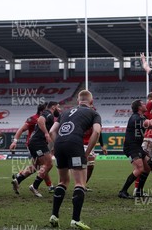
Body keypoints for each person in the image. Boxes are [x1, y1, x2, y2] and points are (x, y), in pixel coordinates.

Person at [48, 90, 101, 230]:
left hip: (59, 143)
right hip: (75, 143)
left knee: (63, 181)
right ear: (91, 101)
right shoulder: (94, 113)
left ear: (78, 101)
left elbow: (52, 131)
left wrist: (59, 144)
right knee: (80, 183)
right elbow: (96, 131)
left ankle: (54, 216)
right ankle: (75, 220)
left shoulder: (65, 112)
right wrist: (87, 153)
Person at [118, 99, 152, 199]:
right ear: (139, 107)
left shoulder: (140, 117)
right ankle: (123, 191)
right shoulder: (137, 118)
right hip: (131, 147)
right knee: (140, 169)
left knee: (147, 169)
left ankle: (139, 191)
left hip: (137, 146)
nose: (145, 105)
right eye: (143, 104)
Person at [13, 101, 60, 197]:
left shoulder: (49, 115)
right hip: (38, 142)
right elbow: (40, 121)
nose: (60, 109)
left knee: (36, 166)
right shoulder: (48, 113)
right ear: (53, 107)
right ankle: (35, 186)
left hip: (33, 142)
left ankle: (18, 179)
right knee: (48, 164)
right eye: (59, 107)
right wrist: (46, 134)